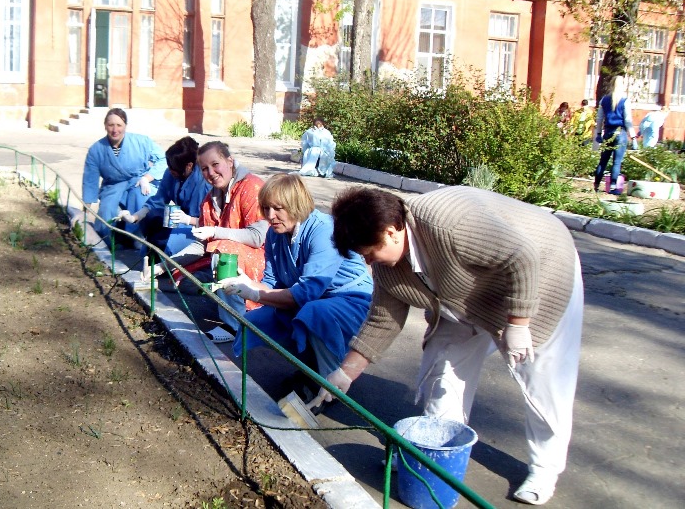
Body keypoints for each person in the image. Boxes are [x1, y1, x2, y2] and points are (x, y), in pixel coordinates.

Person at [322, 185, 583, 506]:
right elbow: (383, 320)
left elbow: (521, 255)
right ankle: (434, 455)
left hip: (542, 269)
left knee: (541, 379)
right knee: (442, 368)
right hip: (467, 295)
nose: (367, 262)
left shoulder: (449, 223)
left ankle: (545, 469)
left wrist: (518, 323)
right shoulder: (388, 267)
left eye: (368, 254)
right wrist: (345, 373)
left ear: (391, 232)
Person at [219, 174, 373, 393]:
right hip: (313, 302)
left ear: (296, 205)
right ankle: (310, 368)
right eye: (266, 208)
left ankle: (330, 385)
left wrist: (255, 294)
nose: (270, 216)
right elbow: (271, 283)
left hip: (351, 302)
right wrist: (246, 284)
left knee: (314, 313)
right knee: (256, 321)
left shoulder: (324, 231)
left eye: (278, 208)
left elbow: (305, 293)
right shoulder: (275, 234)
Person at [191, 141, 268, 343]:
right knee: (192, 276)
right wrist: (164, 265)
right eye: (204, 169)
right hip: (233, 256)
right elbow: (203, 243)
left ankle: (235, 325)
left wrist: (216, 232)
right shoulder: (210, 198)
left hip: (265, 260)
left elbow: (258, 237)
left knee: (224, 251)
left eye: (215, 164)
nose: (211, 173)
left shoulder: (252, 186)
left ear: (230, 161)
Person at [116, 136, 210, 273]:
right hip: (180, 221)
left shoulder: (204, 181)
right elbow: (158, 200)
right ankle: (154, 259)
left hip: (199, 229)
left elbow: (212, 221)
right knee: (153, 217)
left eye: (173, 168)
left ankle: (166, 265)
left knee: (168, 244)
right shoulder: (172, 173)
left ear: (189, 166)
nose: (170, 170)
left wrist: (189, 220)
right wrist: (134, 217)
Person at [82, 108, 166, 239]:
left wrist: (146, 178)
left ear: (125, 125)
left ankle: (142, 238)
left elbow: (163, 159)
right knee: (107, 211)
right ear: (105, 126)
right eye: (111, 125)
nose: (115, 130)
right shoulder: (96, 150)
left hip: (138, 182)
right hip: (113, 187)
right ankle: (110, 241)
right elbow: (90, 180)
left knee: (144, 199)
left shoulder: (141, 141)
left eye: (119, 125)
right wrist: (85, 212)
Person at [593, 76, 637, 194]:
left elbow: (599, 119)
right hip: (620, 132)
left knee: (603, 161)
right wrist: (633, 137)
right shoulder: (625, 100)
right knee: (617, 162)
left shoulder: (604, 100)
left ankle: (596, 185)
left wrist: (598, 133)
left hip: (608, 132)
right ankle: (613, 187)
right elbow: (627, 120)